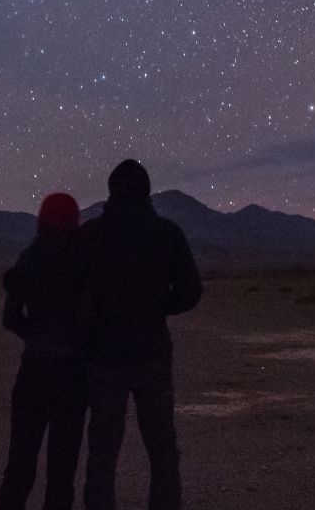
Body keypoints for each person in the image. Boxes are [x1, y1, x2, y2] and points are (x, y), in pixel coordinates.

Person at [78, 159, 202, 510]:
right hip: (152, 354)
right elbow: (191, 291)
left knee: (103, 449)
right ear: (147, 191)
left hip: (104, 358)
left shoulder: (90, 235)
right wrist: (158, 306)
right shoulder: (167, 233)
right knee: (162, 447)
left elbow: (75, 292)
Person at [0, 192, 87, 510]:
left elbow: (10, 317)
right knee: (62, 472)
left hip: (34, 370)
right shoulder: (82, 261)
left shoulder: (28, 259)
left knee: (20, 463)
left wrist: (35, 334)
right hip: (72, 375)